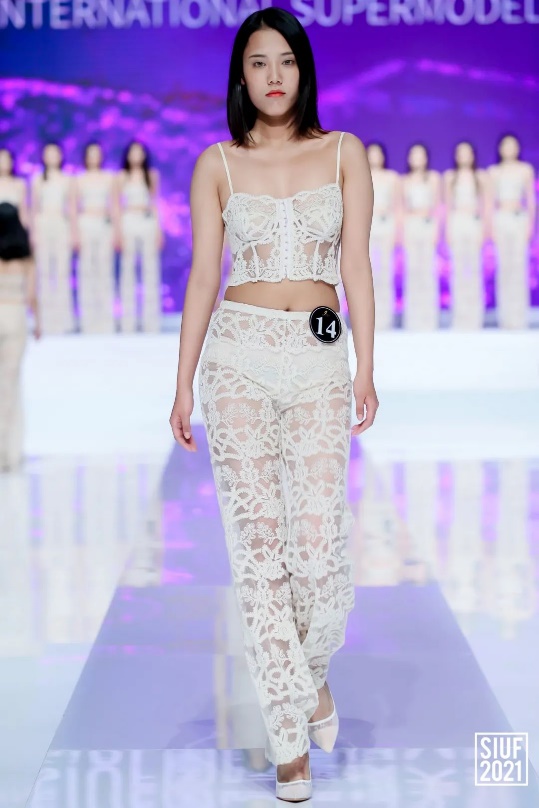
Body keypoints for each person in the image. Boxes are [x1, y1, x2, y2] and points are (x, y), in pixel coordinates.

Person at [168, 8, 378, 801]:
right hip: (237, 362)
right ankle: (289, 742)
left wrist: (365, 365)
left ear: (303, 69)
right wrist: (182, 380)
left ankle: (309, 682)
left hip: (319, 359)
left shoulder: (343, 152)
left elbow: (355, 265)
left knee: (318, 553)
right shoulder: (216, 164)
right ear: (241, 77)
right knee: (258, 554)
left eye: (285, 60)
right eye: (258, 62)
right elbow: (202, 276)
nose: (273, 75)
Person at [0, 202, 40, 473]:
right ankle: (9, 453)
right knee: (10, 384)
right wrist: (39, 323)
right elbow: (31, 296)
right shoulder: (26, 258)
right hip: (15, 318)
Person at [487, 134, 535, 329]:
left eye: (512, 145)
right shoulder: (494, 172)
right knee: (504, 268)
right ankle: (505, 318)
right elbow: (489, 202)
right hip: (501, 218)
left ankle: (519, 318)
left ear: (518, 148)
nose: (509, 149)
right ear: (500, 149)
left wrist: (531, 225)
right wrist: (490, 227)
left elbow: (531, 199)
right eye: (505, 145)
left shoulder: (525, 170)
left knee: (519, 267)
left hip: (519, 218)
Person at [116, 141, 163, 333]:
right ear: (127, 155)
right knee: (127, 269)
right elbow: (117, 205)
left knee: (150, 269)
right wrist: (117, 231)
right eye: (133, 152)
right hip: (128, 220)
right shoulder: (121, 176)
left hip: (147, 221)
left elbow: (155, 203)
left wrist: (159, 230)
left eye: (139, 152)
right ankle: (128, 322)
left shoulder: (151, 175)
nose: (136, 155)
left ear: (144, 155)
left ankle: (151, 322)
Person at [30, 142, 75, 334]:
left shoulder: (67, 179)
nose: (52, 157)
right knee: (44, 272)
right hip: (42, 225)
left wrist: (74, 232)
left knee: (62, 272)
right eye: (48, 153)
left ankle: (63, 321)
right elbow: (33, 208)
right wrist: (32, 233)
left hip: (61, 224)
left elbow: (72, 208)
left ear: (61, 156)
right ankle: (44, 321)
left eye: (55, 153)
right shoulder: (37, 180)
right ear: (43, 157)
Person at [443, 141, 488, 330]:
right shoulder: (450, 177)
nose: (464, 156)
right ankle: (460, 318)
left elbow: (485, 205)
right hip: (457, 221)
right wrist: (447, 230)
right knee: (458, 271)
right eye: (460, 152)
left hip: (473, 222)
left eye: (467, 152)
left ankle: (475, 319)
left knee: (474, 270)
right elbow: (446, 206)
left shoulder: (480, 176)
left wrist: (485, 230)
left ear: (473, 155)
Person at [73, 142, 116, 333]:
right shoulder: (78, 179)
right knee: (86, 271)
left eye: (96, 153)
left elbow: (115, 206)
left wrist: (116, 230)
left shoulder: (109, 178)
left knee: (105, 271)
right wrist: (74, 233)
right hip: (85, 225)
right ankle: (88, 321)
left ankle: (105, 321)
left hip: (104, 226)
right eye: (90, 154)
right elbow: (73, 208)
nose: (93, 157)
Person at [401, 143, 442, 331]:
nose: (417, 158)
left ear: (426, 158)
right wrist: (401, 233)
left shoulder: (433, 178)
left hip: (428, 224)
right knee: (413, 271)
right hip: (411, 224)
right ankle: (413, 321)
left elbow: (438, 206)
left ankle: (428, 320)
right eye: (413, 155)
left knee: (428, 272)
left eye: (420, 155)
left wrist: (437, 230)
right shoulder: (404, 180)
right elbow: (401, 208)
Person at [366, 141, 399, 329]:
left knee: (385, 271)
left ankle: (385, 320)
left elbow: (398, 205)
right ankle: (369, 319)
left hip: (386, 224)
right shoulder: (360, 176)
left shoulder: (391, 177)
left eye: (377, 153)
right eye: (371, 153)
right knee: (369, 273)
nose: (374, 157)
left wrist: (398, 231)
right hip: (367, 225)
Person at [0, 147, 29, 227]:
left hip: (15, 228)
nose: (4, 163)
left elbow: (23, 210)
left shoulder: (20, 183)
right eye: (1, 160)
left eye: (6, 159)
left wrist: (26, 228)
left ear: (12, 162)